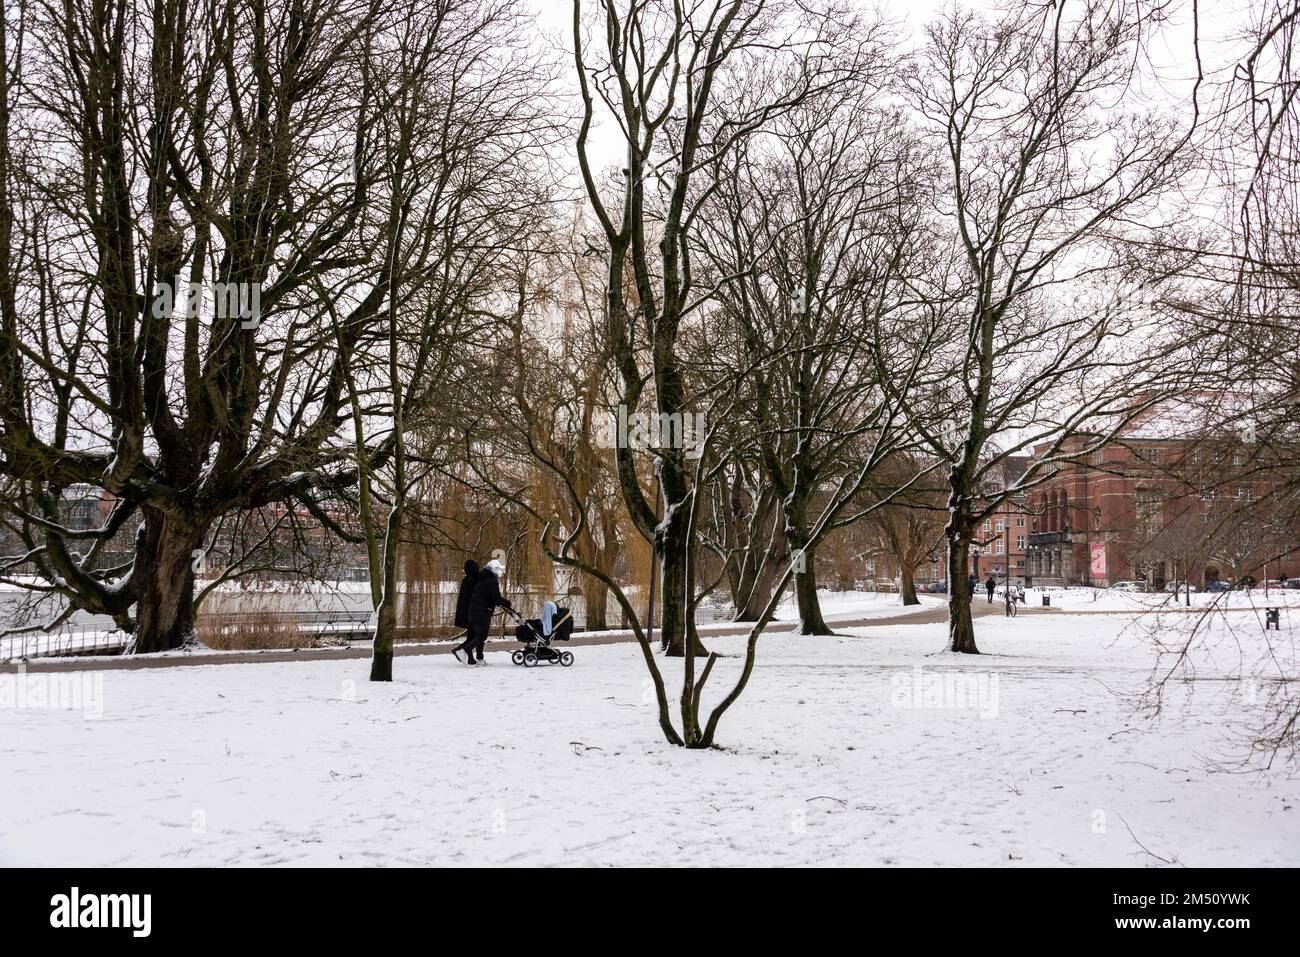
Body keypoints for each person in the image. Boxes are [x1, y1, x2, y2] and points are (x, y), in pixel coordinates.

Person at [462, 557, 512, 665]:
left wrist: (499, 603)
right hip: (482, 613)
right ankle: (467, 649)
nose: (500, 572)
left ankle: (479, 658)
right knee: (482, 636)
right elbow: (496, 598)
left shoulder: (483, 578)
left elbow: (489, 597)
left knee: (479, 636)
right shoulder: (491, 581)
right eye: (498, 569)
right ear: (494, 570)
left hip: (474, 612)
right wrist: (507, 603)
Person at [451, 559, 479, 663]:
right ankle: (459, 650)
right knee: (476, 636)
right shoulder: (473, 580)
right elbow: (475, 597)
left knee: (471, 636)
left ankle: (470, 658)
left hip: (466, 613)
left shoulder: (466, 579)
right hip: (471, 613)